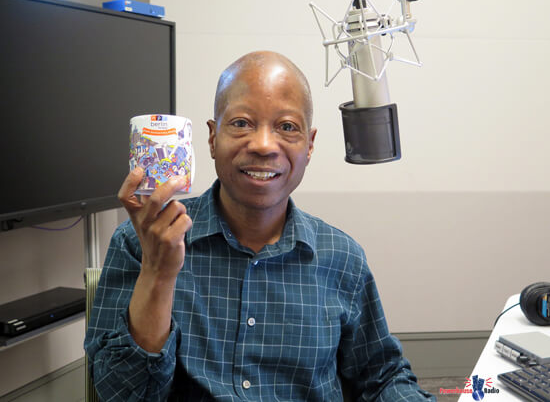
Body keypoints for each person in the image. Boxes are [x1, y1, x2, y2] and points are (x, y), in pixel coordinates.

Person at [84, 51, 434, 401]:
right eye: (241, 123)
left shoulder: (343, 258)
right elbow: (121, 394)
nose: (264, 145)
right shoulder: (140, 243)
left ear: (309, 145)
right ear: (211, 137)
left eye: (286, 127)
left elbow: (382, 376)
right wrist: (158, 274)